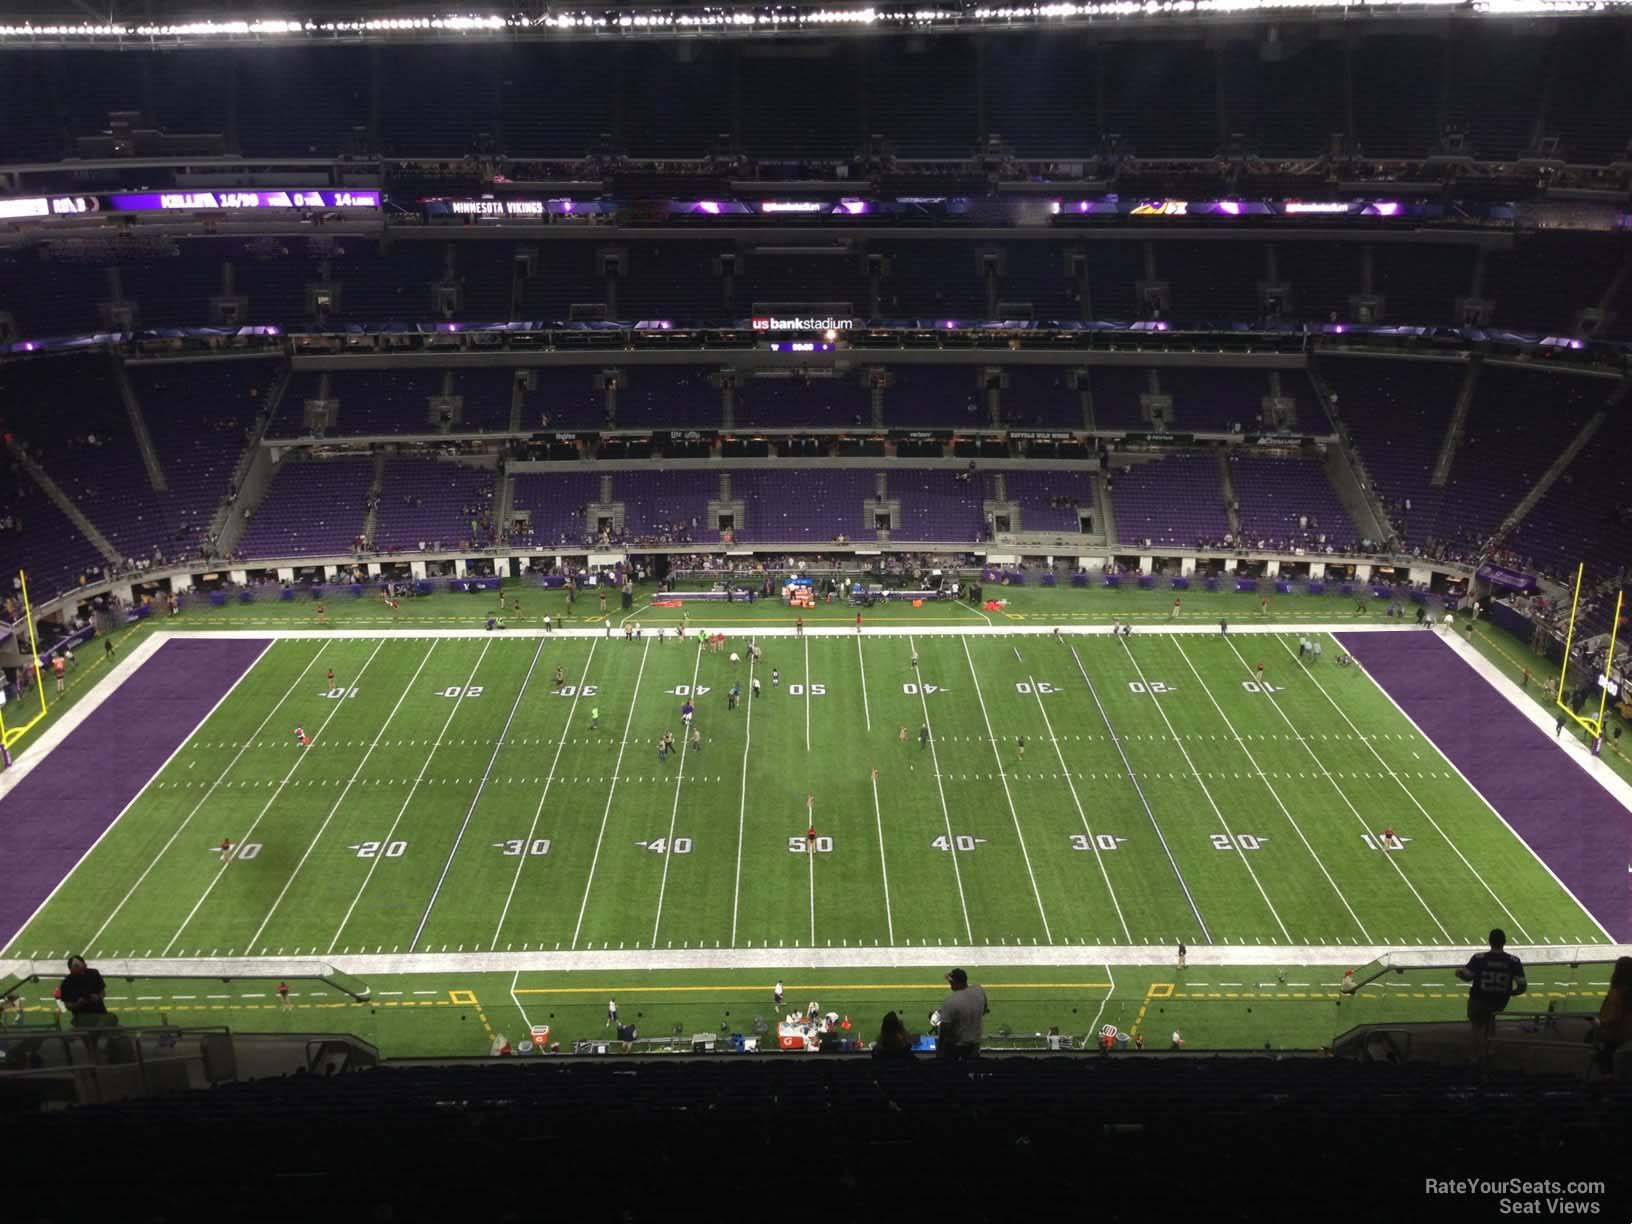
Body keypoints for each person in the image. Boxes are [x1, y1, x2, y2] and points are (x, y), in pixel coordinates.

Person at [1456, 928, 1526, 1064]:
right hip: (1499, 1002)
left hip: (1479, 999)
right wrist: (1510, 993)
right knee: (1491, 1021)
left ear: (1489, 941)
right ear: (1504, 942)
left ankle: (1475, 1056)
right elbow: (1522, 986)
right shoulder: (1514, 961)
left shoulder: (1479, 958)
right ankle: (1489, 1051)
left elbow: (1467, 977)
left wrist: (1458, 972)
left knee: (1476, 1026)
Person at [936, 968, 989, 1059]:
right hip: (975, 1044)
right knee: (971, 1067)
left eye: (951, 982)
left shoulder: (950, 1002)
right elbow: (984, 1009)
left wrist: (940, 1049)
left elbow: (944, 1030)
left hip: (956, 1046)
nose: (950, 984)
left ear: (956, 982)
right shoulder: (979, 990)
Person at [1594, 956, 1632, 1075]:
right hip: (1627, 1034)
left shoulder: (1617, 993)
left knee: (1592, 1037)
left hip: (1618, 1035)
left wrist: (1599, 1023)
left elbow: (1614, 1018)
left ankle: (1607, 1076)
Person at [59, 956, 108, 1025]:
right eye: (77, 969)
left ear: (85, 965)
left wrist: (97, 997)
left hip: (100, 1013)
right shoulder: (66, 983)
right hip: (81, 1017)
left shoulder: (94, 973)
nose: (82, 973)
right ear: (71, 970)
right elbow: (68, 1005)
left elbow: (103, 993)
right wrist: (77, 1004)